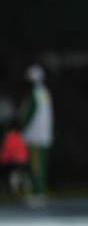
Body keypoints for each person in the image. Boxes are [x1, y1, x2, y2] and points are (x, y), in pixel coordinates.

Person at [19, 64, 53, 204]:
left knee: (35, 165)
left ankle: (37, 192)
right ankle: (39, 191)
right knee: (41, 164)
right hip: (44, 134)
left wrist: (21, 128)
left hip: (34, 134)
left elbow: (28, 114)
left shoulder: (34, 94)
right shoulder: (44, 92)